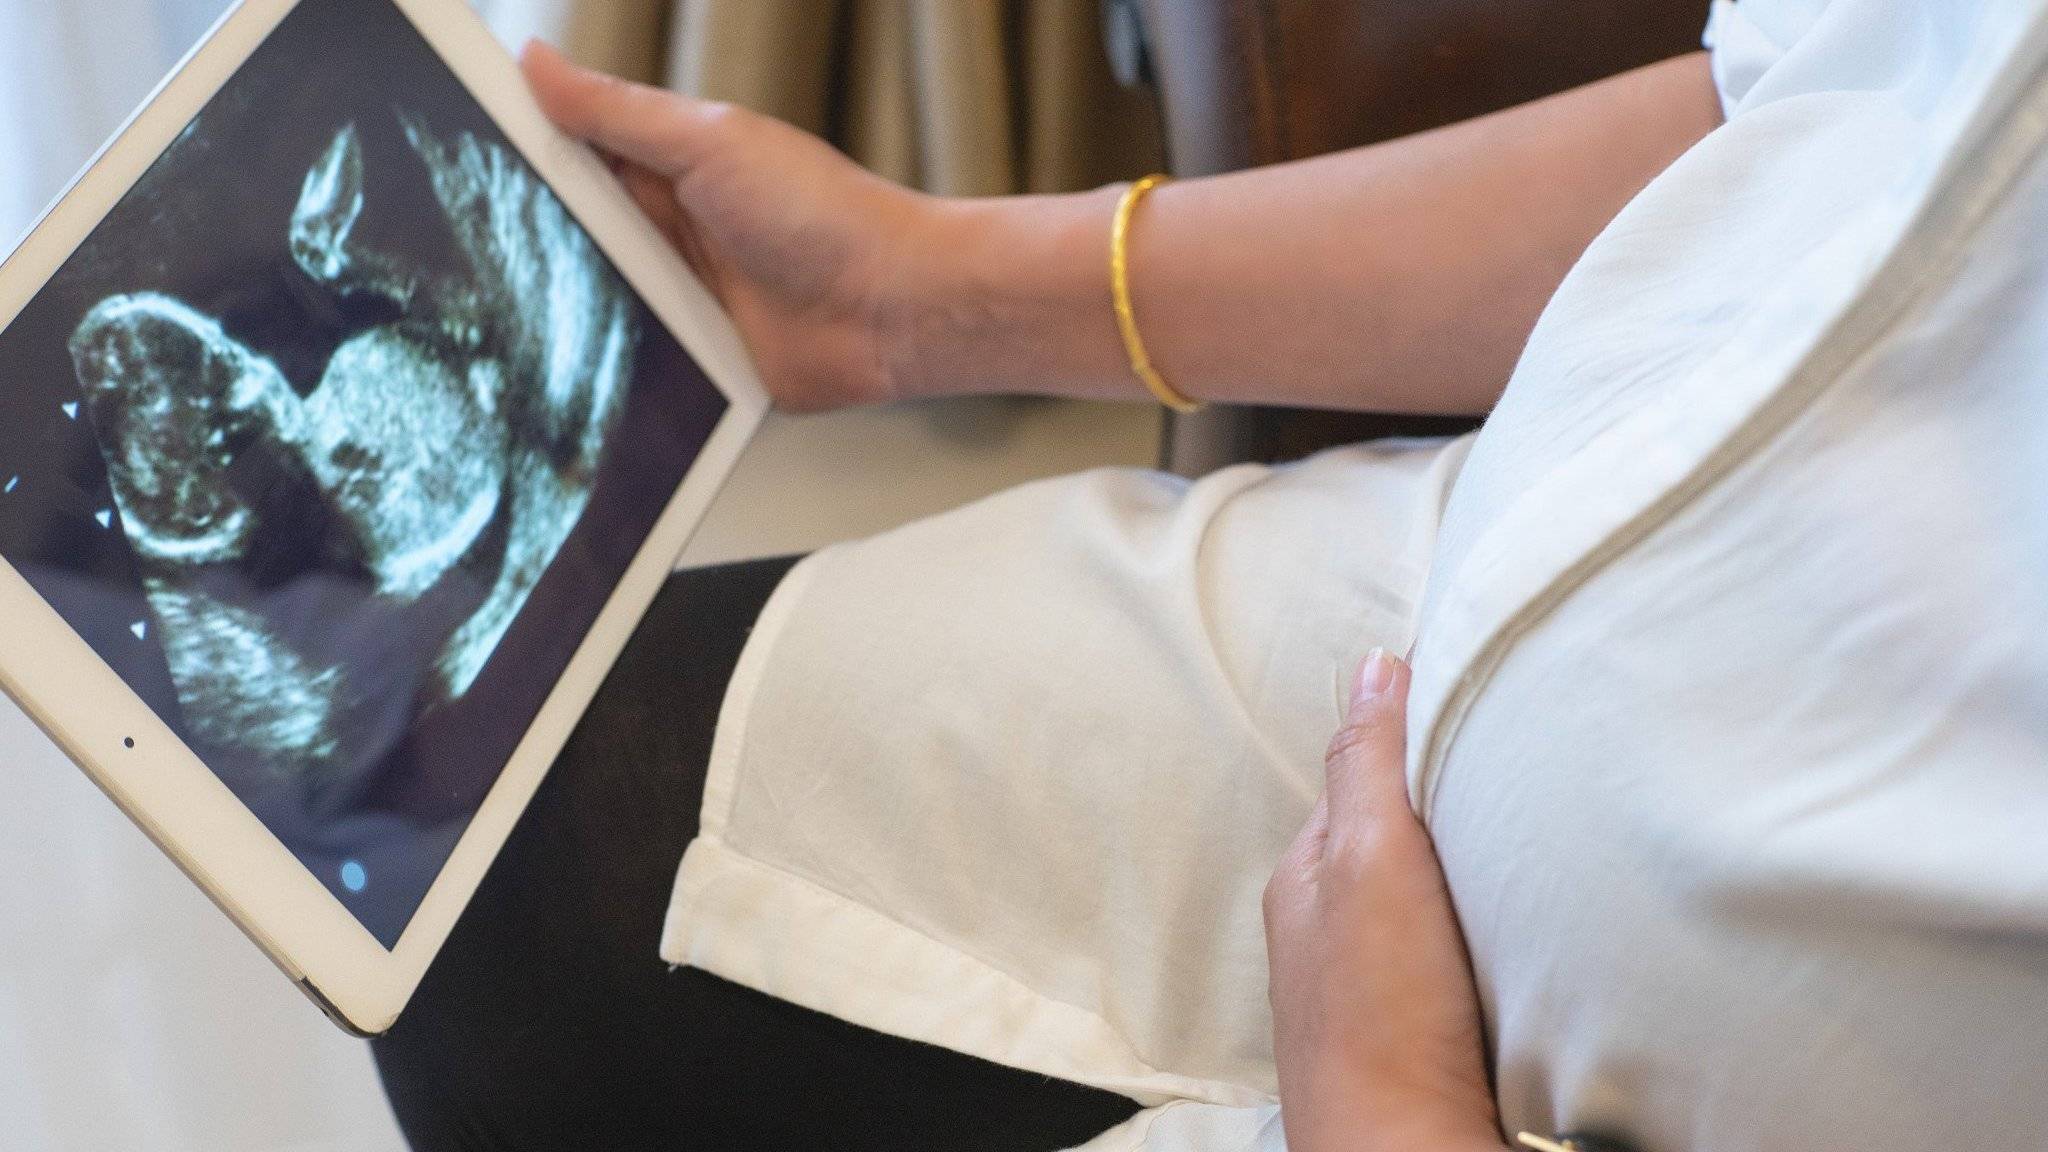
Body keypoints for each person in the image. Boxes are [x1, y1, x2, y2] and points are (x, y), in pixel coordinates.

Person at [373, 1, 2048, 1149]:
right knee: (509, 861)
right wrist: (917, 293)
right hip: (1421, 581)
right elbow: (1802, 107)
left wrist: (1386, 1115)